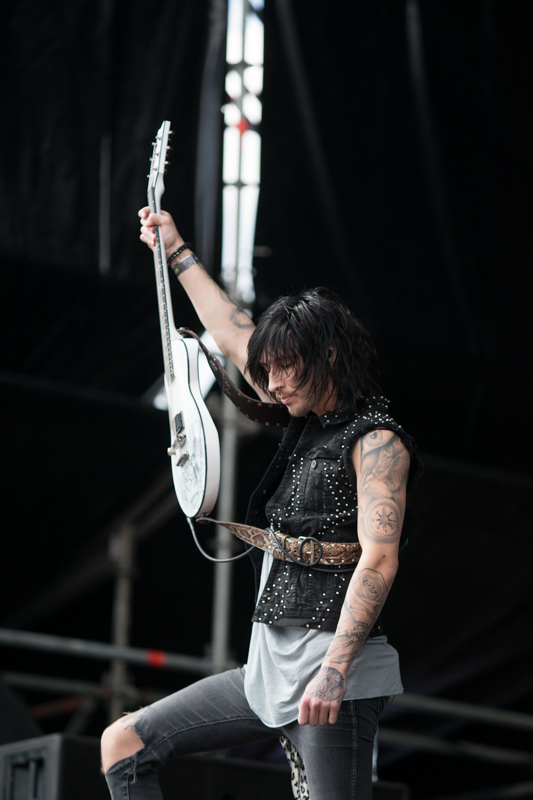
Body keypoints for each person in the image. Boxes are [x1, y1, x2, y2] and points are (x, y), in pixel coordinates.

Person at [100, 207, 423, 800]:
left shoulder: (378, 442)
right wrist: (175, 249)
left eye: (285, 368)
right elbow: (229, 329)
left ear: (329, 356)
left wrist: (334, 672)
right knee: (124, 743)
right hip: (267, 667)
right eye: (266, 369)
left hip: (334, 672)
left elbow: (380, 559)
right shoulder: (302, 408)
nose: (271, 384)